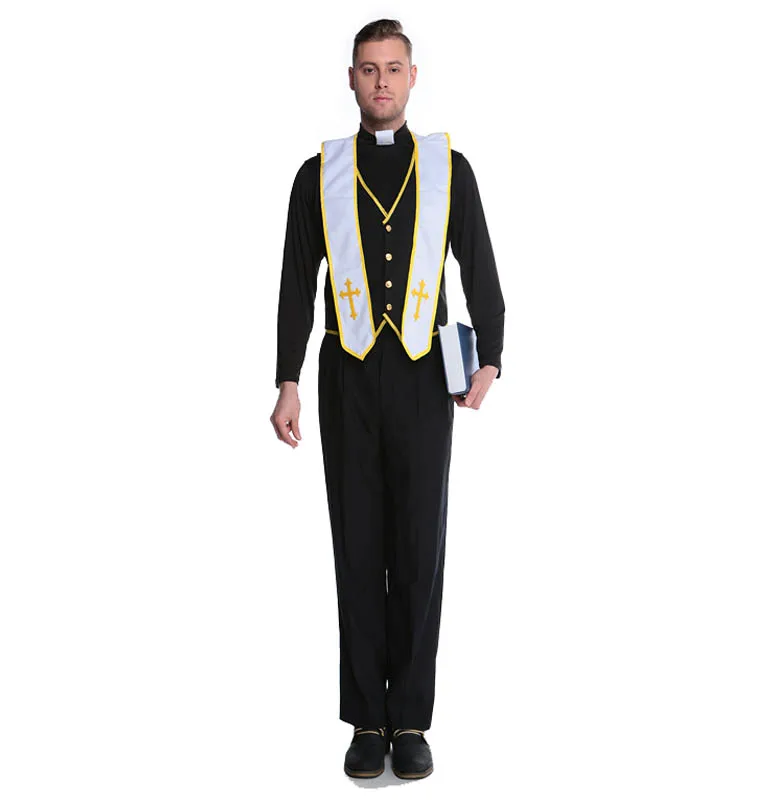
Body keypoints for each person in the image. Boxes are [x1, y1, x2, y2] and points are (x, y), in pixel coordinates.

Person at [270, 19, 505, 780]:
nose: (381, 81)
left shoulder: (449, 169)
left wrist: (492, 355)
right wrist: (287, 379)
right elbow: (296, 283)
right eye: (368, 69)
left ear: (412, 77)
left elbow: (480, 264)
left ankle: (410, 719)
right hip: (346, 378)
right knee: (358, 546)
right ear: (351, 78)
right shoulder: (318, 175)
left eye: (393, 68)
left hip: (423, 376)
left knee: (417, 550)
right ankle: (365, 720)